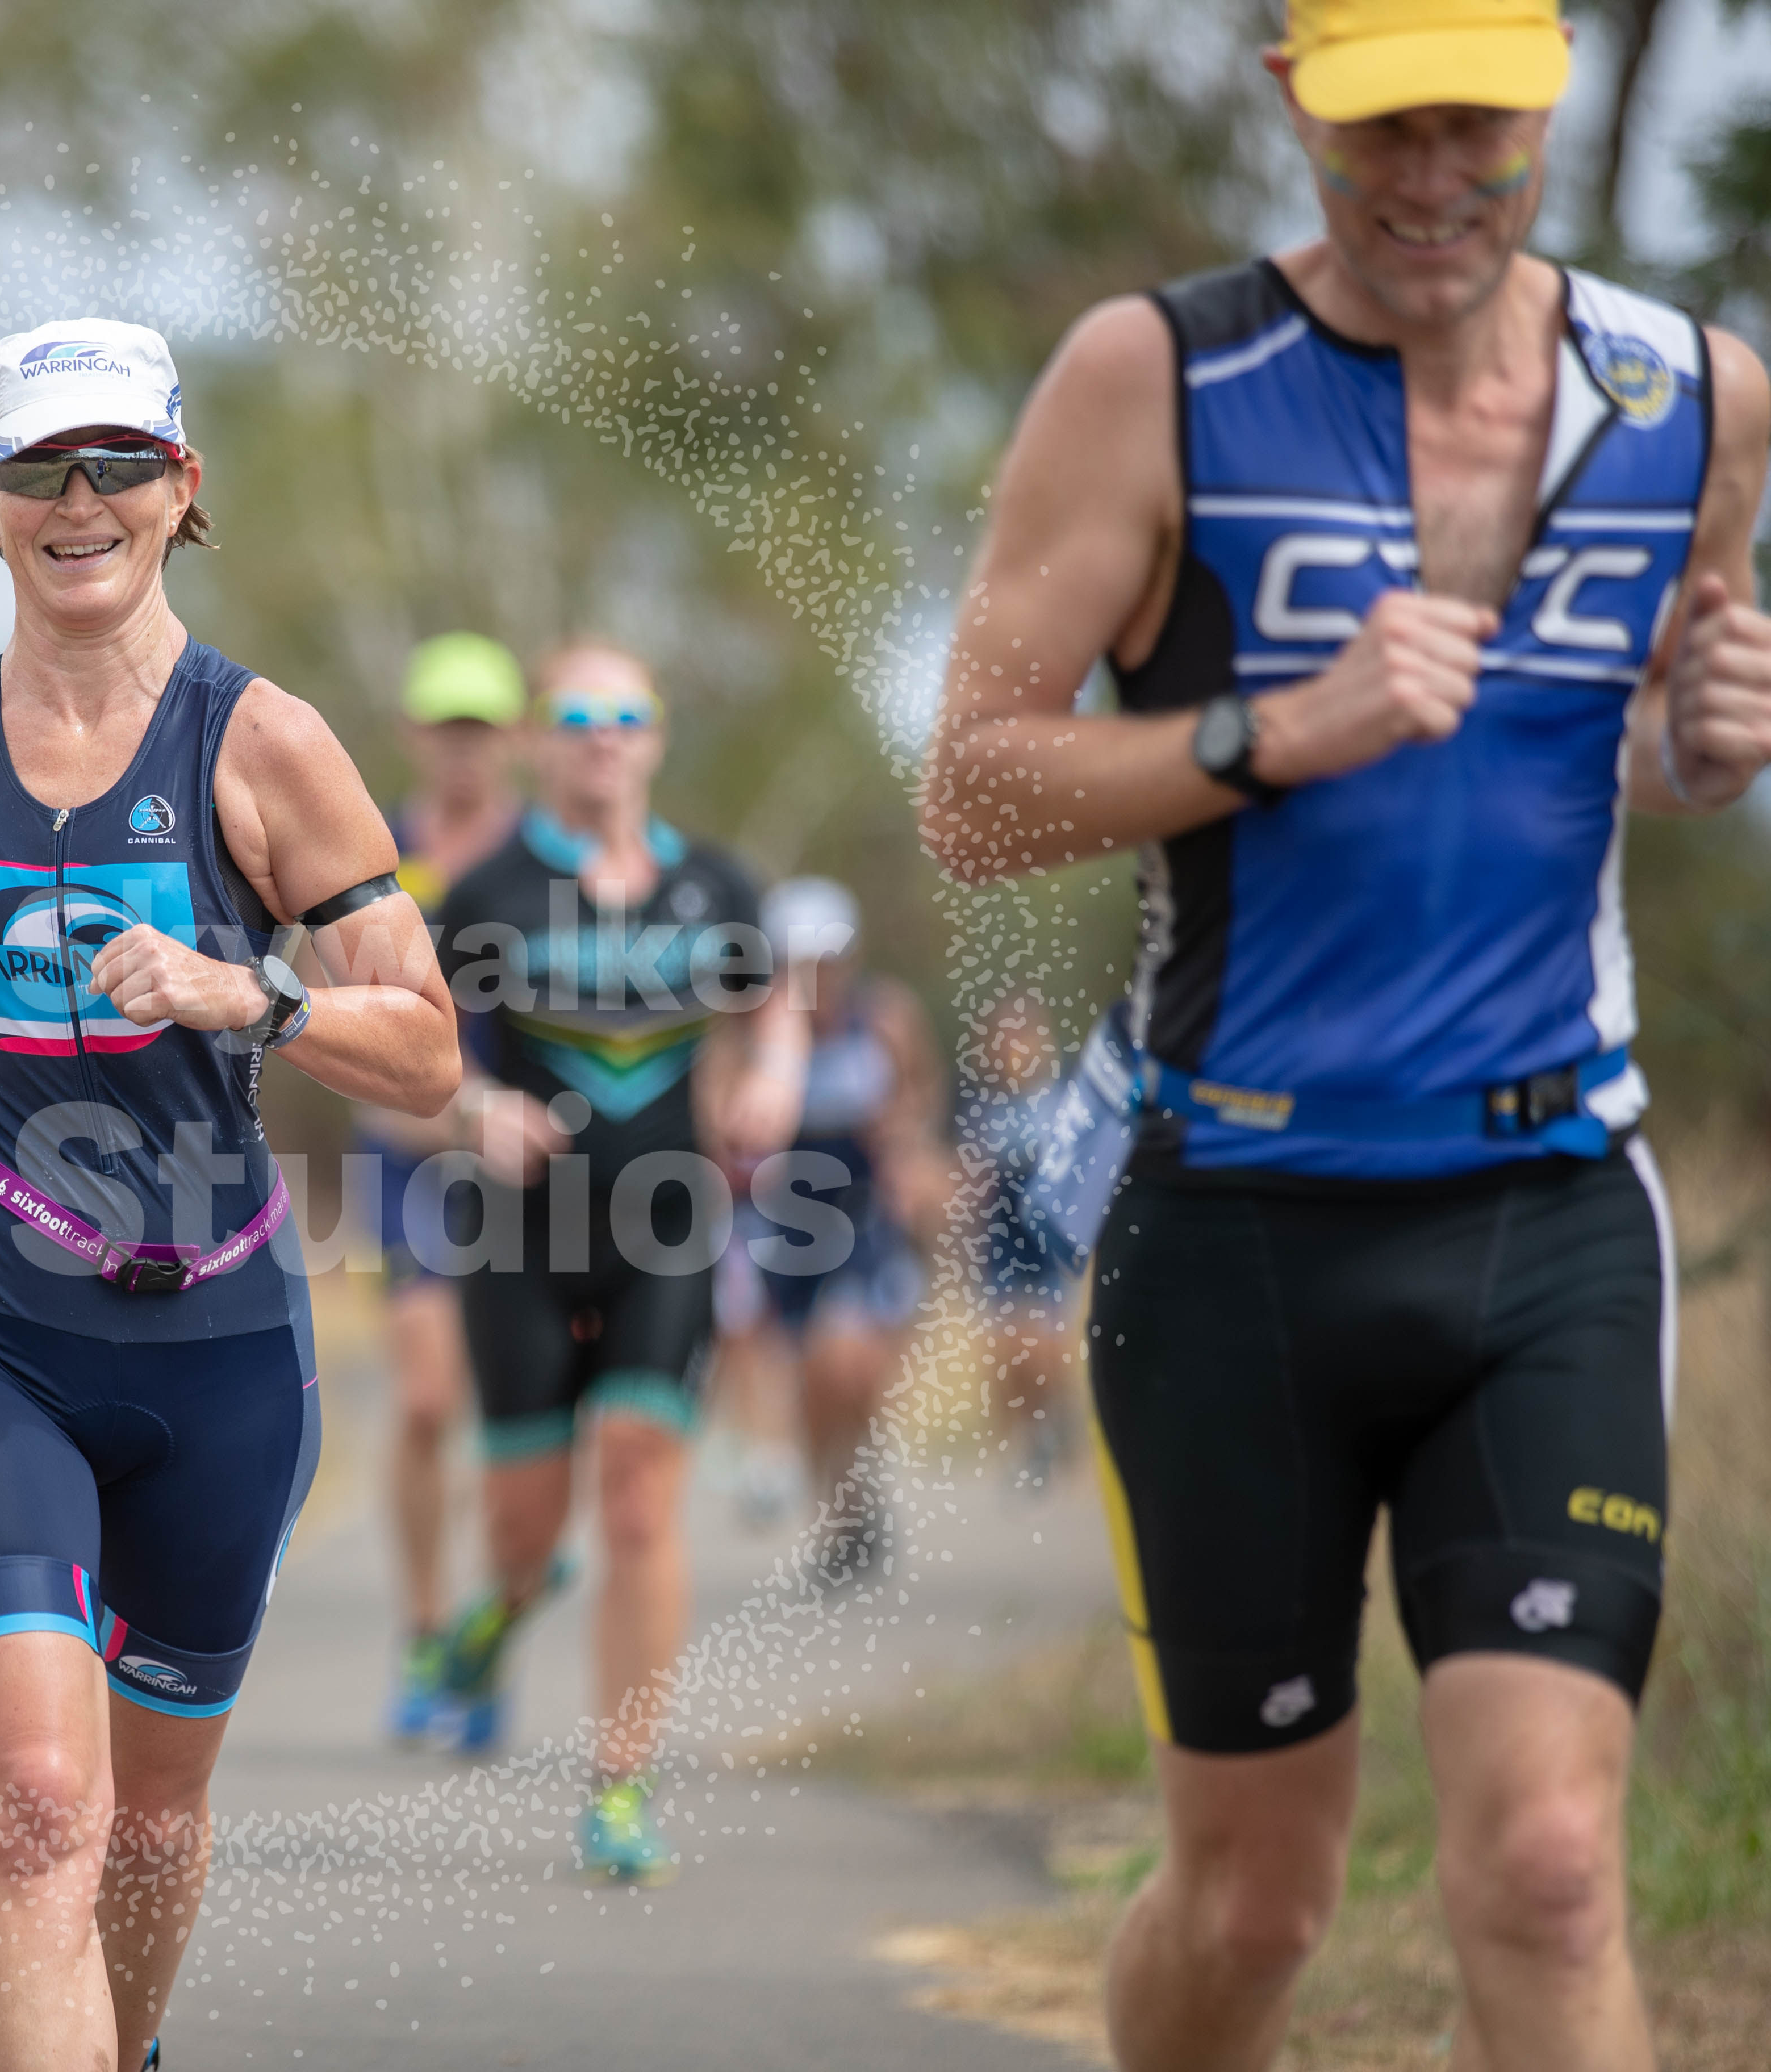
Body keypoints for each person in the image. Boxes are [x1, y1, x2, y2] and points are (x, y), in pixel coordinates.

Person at [920, 2, 1771, 2065]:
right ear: (1295, 104)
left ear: (1545, 109)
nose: (1423, 178)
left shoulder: (1689, 396)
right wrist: (1271, 727)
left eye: (1471, 126)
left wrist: (1703, 741)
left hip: (1546, 1203)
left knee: (1553, 1864)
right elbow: (973, 791)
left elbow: (1639, 737)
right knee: (1254, 1900)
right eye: (1377, 128)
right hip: (1235, 1223)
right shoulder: (1163, 377)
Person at [0, 318, 458, 2072]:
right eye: (43, 468)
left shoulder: (264, 749)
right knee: (42, 1805)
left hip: (218, 1344)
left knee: (148, 1823)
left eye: (120, 462)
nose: (83, 500)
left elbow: (427, 1050)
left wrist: (245, 990)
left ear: (181, 489)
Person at [421, 644, 804, 1881]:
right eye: (579, 717)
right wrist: (472, 1106)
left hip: (668, 1229)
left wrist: (775, 1084)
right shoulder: (486, 892)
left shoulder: (715, 883)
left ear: (657, 737)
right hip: (518, 1240)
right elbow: (404, 1052)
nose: (604, 737)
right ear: (538, 740)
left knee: (640, 1492)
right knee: (529, 1534)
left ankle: (621, 1784)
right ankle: (494, 1614)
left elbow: (772, 1001)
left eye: (626, 717)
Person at [361, 632, 530, 1745]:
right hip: (416, 1158)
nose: (462, 749)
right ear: (417, 735)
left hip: (543, 1172)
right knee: (429, 1402)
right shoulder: (377, 851)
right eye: (444, 726)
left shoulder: (547, 857)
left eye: (481, 727)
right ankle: (428, 1630)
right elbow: (350, 1017)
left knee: (521, 1423)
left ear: (509, 737)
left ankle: (487, 1639)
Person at [741, 876, 945, 1581]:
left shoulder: (884, 1020)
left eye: (826, 962)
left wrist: (908, 1151)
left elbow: (920, 1096)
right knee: (812, 1384)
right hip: (786, 1225)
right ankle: (842, 1510)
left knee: (849, 1362)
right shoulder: (756, 1031)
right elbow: (719, 1115)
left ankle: (852, 1501)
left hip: (862, 1220)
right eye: (797, 963)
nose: (815, 979)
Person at [953, 987, 1079, 1491]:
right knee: (1006, 1348)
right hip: (1003, 1241)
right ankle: (1020, 1442)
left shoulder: (1065, 1101)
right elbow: (971, 1182)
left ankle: (1052, 1423)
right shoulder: (982, 1109)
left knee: (1045, 1344)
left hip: (1048, 1239)